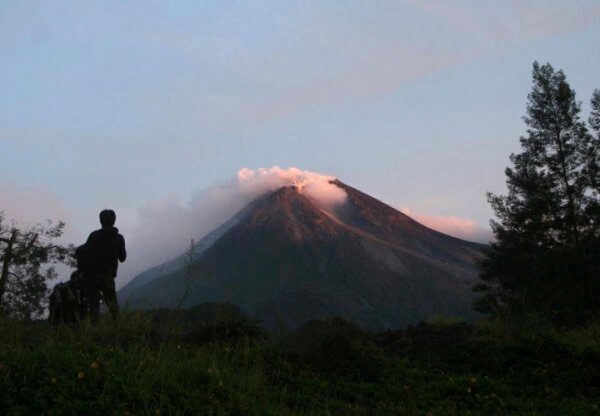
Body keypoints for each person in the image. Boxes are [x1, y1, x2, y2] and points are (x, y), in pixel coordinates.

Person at [85, 209, 126, 321]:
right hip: (107, 276)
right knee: (113, 306)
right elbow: (122, 258)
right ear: (113, 220)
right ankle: (119, 329)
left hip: (91, 276)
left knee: (94, 307)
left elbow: (85, 252)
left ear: (100, 221)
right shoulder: (118, 238)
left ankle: (92, 332)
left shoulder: (93, 236)